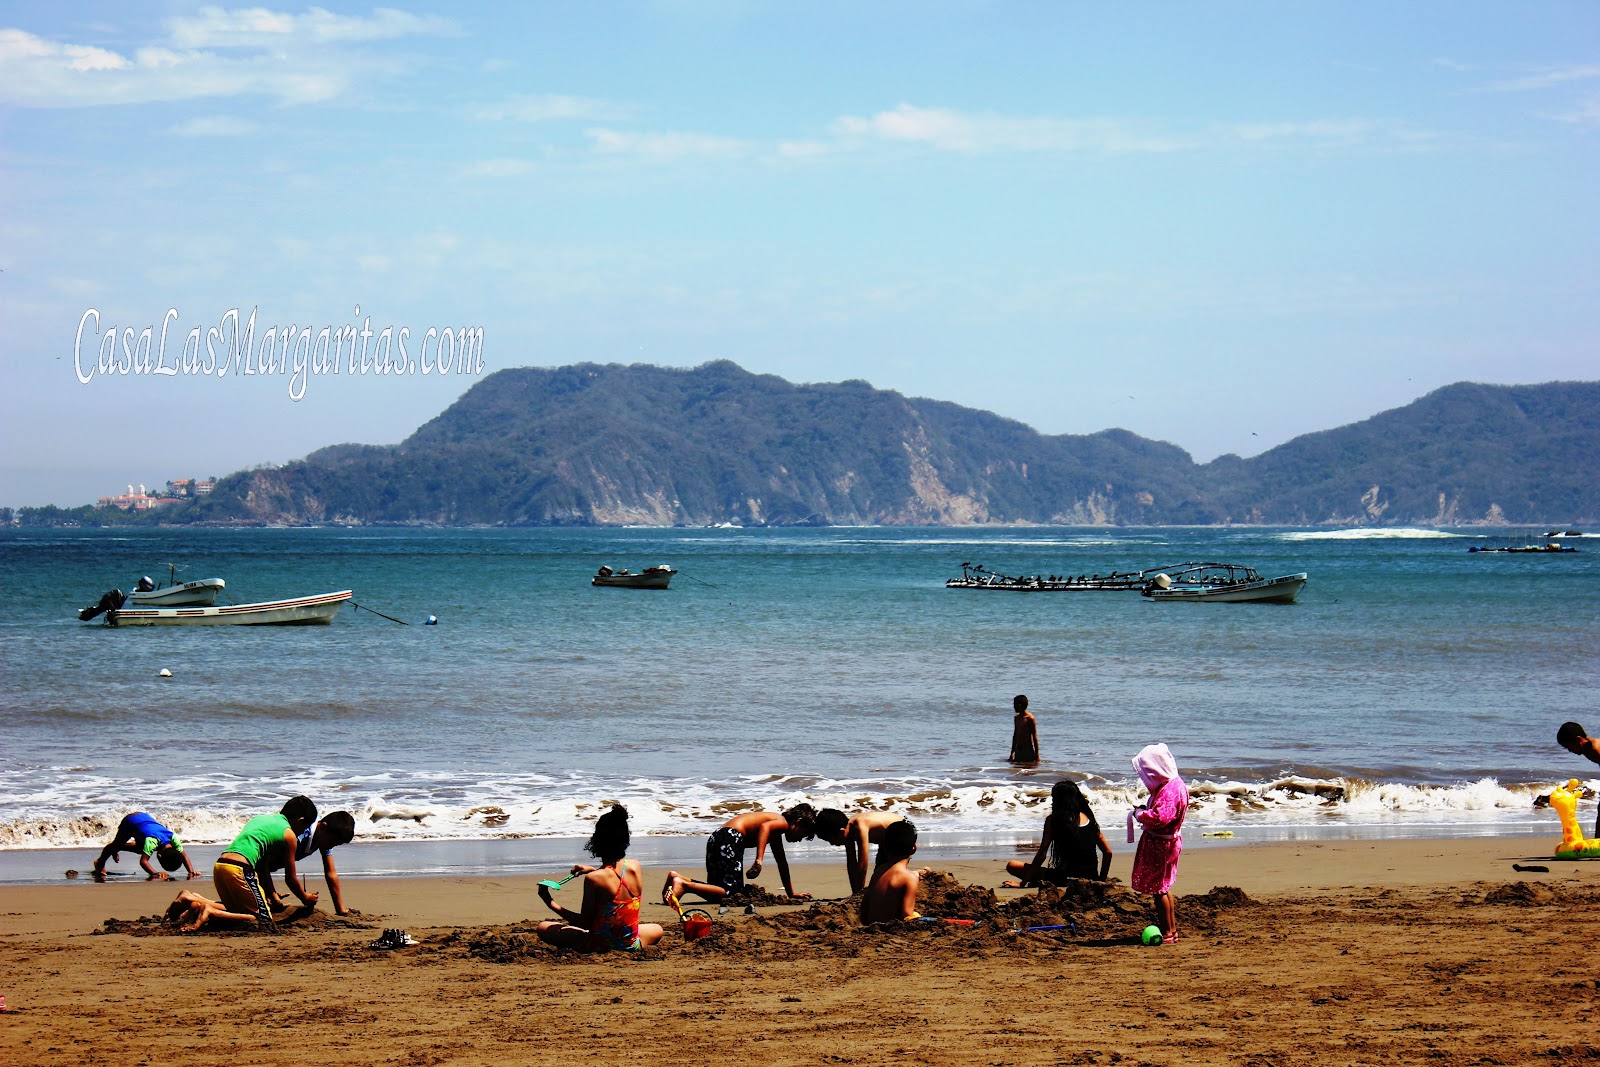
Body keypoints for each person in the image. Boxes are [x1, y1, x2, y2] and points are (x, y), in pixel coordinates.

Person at [171, 796, 320, 931]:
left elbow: (262, 866)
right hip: (240, 869)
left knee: (236, 911)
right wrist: (305, 897)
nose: (302, 833)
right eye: (304, 828)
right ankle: (210, 912)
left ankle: (193, 900)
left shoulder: (260, 819)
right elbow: (290, 879)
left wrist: (273, 896)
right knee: (264, 921)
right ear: (300, 821)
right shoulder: (289, 835)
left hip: (221, 866)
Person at [537, 804, 665, 952]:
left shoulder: (594, 879)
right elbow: (615, 879)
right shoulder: (634, 866)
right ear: (625, 839)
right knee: (657, 929)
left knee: (543, 927)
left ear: (597, 841)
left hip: (598, 945)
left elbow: (584, 923)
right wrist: (593, 870)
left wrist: (550, 902)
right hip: (631, 943)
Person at [662, 804, 820, 905]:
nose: (800, 840)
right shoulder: (781, 822)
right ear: (798, 822)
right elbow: (764, 827)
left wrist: (791, 893)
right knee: (731, 894)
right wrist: (759, 860)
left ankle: (677, 878)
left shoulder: (776, 833)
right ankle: (684, 886)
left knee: (716, 889)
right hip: (730, 839)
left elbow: (782, 863)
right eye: (803, 834)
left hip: (718, 837)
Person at [1129, 744, 1188, 945]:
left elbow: (1161, 817)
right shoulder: (1176, 784)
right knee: (1164, 887)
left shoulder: (1169, 790)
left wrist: (1140, 814)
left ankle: (1167, 932)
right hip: (1169, 841)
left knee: (1159, 891)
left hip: (1160, 845)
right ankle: (1172, 930)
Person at [1002, 780, 1112, 887]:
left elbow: (1042, 855)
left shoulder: (1054, 820)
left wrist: (1022, 883)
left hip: (1065, 878)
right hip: (1090, 877)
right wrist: (1101, 881)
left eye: (1054, 798)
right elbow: (1108, 852)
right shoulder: (1088, 819)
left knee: (1012, 865)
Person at [261, 811, 358, 916]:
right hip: (254, 866)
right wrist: (273, 893)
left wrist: (340, 909)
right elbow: (262, 862)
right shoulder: (299, 836)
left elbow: (331, 873)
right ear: (323, 827)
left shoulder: (322, 836)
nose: (331, 846)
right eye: (332, 842)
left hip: (264, 869)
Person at [815, 808, 908, 893]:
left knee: (885, 875)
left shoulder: (860, 827)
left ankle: (913, 880)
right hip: (887, 842)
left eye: (831, 840)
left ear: (841, 832)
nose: (832, 844)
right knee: (878, 878)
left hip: (905, 831)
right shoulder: (848, 832)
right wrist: (855, 891)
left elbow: (862, 864)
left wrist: (860, 890)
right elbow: (851, 864)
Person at [91, 812, 197, 882]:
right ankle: (100, 862)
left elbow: (184, 856)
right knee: (115, 845)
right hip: (130, 822)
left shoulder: (173, 837)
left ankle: (118, 848)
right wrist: (155, 874)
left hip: (143, 817)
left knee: (140, 849)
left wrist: (191, 872)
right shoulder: (152, 841)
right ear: (159, 856)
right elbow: (143, 861)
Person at [859, 819, 920, 924]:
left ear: (885, 848)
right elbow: (906, 914)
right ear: (914, 848)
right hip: (890, 928)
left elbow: (865, 906)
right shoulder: (910, 879)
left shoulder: (879, 872)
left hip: (871, 924)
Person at [1557, 721, 1600, 837]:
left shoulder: (1595, 749)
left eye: (1569, 747)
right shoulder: (1587, 749)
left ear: (1578, 739)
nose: (1570, 751)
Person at [1008, 695, 1039, 764]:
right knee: (1017, 768)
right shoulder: (1016, 718)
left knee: (1028, 768)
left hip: (1028, 750)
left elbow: (1034, 737)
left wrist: (1037, 754)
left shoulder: (1030, 718)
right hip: (1018, 749)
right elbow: (1015, 735)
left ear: (1019, 705)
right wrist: (1012, 752)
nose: (1013, 707)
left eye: (1014, 704)